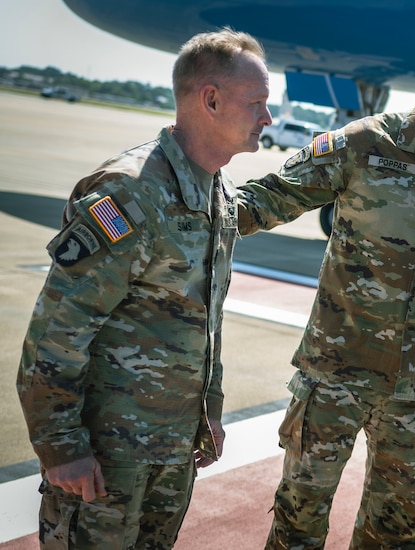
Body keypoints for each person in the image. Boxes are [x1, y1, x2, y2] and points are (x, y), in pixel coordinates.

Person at [236, 33, 415, 549]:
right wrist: (180, 205)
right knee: (298, 516)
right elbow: (269, 198)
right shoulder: (365, 144)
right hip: (334, 375)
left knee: (395, 530)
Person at [16, 28, 273, 548]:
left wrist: (211, 411)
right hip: (106, 459)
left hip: (171, 450)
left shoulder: (215, 192)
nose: (268, 118)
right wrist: (62, 446)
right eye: (258, 103)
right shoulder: (131, 192)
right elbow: (56, 334)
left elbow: (205, 320)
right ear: (212, 100)